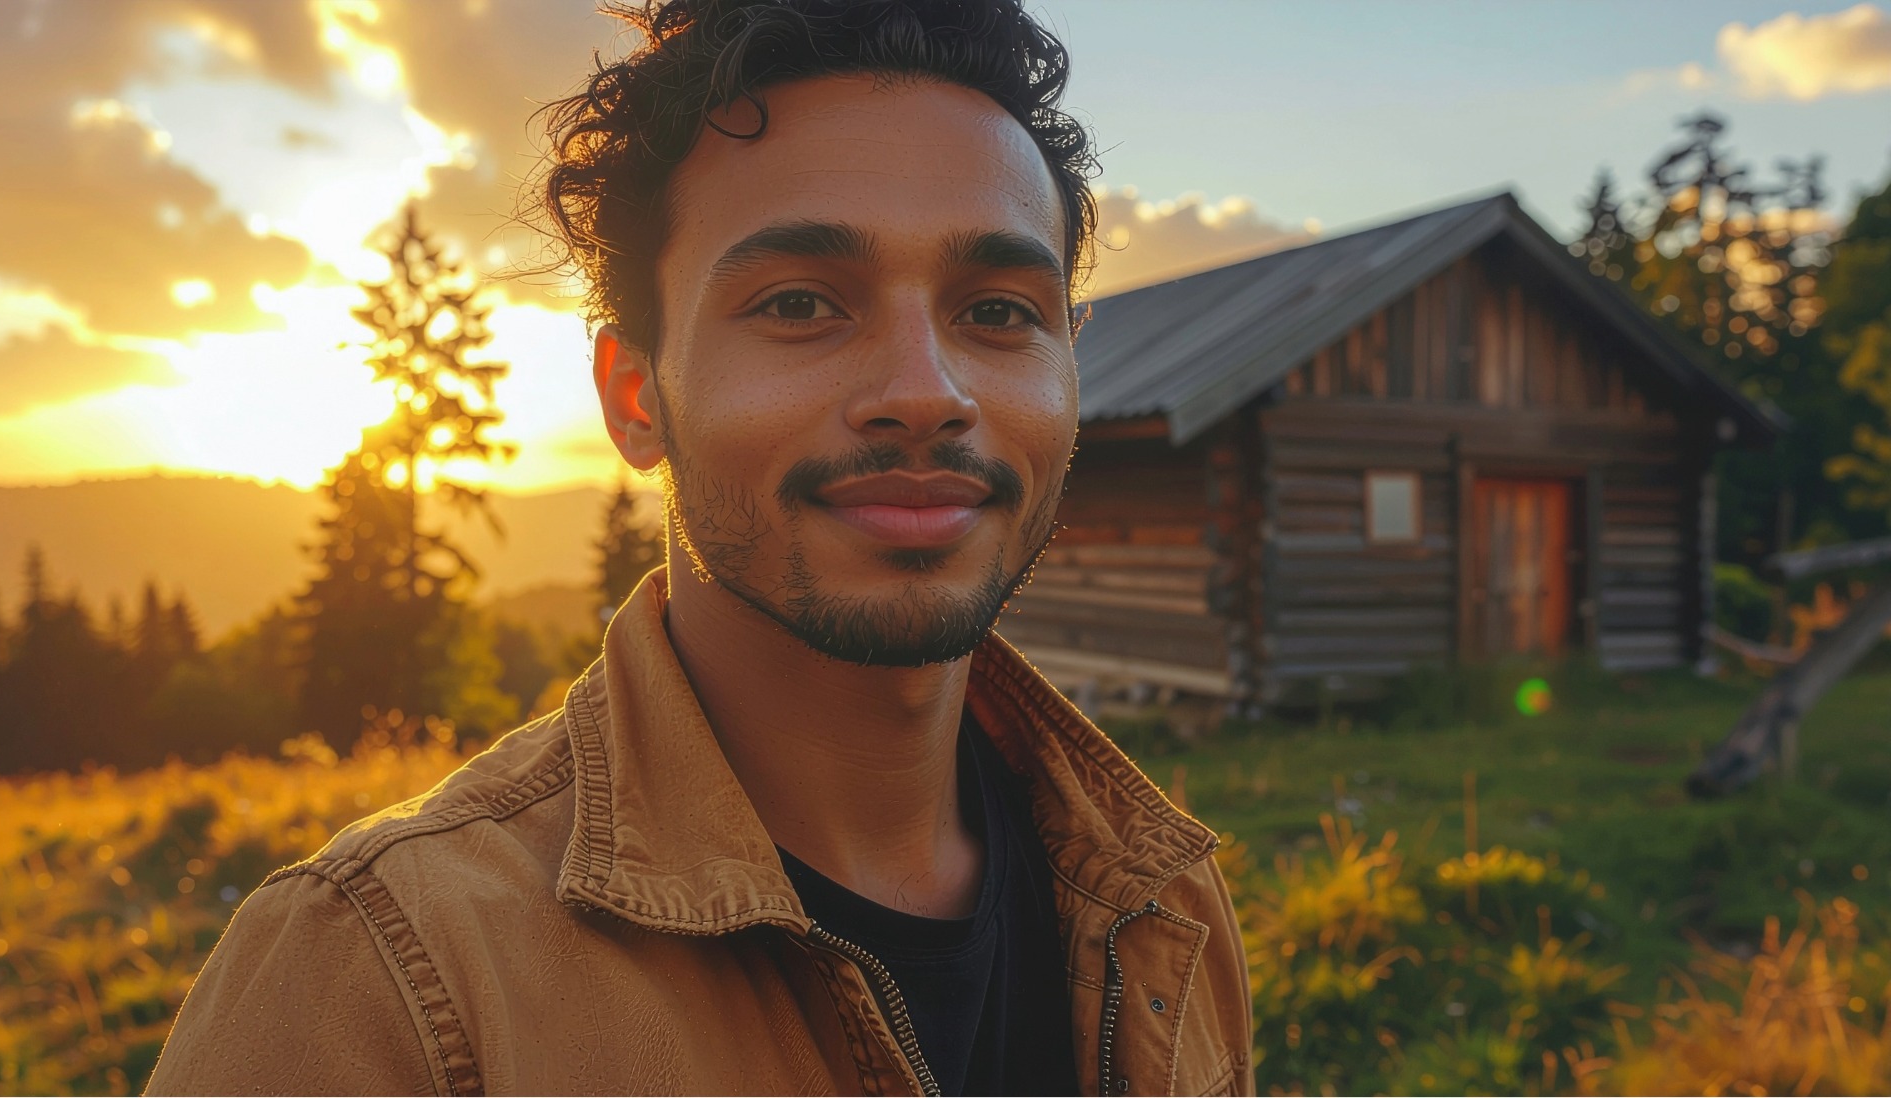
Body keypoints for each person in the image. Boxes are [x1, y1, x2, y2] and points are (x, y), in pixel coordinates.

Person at [147, 1, 1254, 1093]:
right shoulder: (378, 976)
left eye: (1000, 313)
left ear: (1069, 365)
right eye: (802, 302)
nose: (927, 392)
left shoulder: (1162, 904)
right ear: (636, 398)